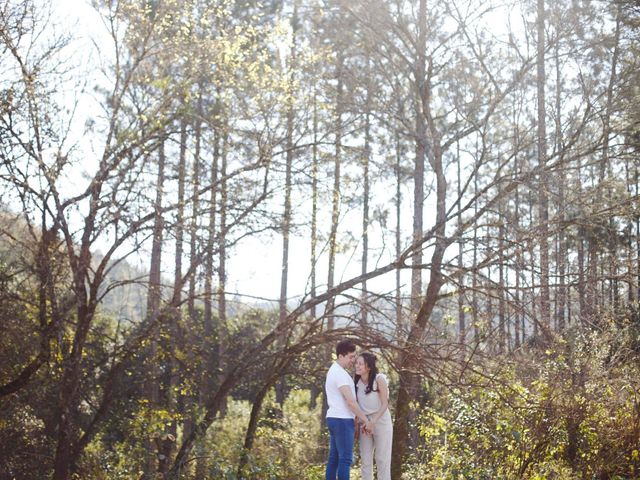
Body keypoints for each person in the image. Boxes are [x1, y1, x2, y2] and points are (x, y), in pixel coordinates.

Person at [325, 339, 373, 480]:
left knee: (334, 460)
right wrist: (365, 420)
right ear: (340, 356)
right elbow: (351, 402)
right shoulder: (339, 373)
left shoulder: (334, 371)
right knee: (345, 460)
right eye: (351, 357)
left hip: (335, 419)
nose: (353, 360)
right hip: (342, 420)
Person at [354, 352, 392, 480]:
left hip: (381, 421)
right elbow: (356, 405)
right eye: (356, 363)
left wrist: (373, 422)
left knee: (382, 459)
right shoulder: (356, 382)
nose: (357, 366)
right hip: (364, 423)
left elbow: (385, 403)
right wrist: (363, 423)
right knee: (365, 460)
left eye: (360, 364)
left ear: (368, 367)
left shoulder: (379, 379)